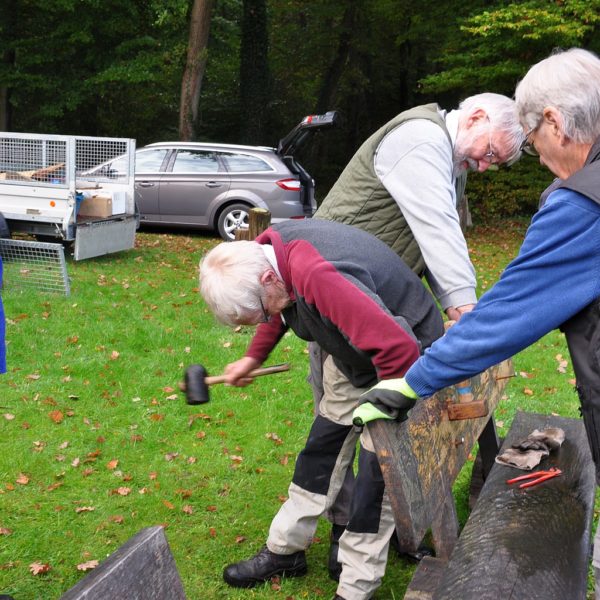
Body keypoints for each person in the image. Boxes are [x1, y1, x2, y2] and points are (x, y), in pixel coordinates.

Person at [351, 46, 600, 590]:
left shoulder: (585, 201)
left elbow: (509, 311)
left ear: (555, 122)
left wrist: (413, 382)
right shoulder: (421, 144)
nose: (538, 159)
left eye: (532, 146)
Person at [313, 92, 524, 574]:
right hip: (336, 304)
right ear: (475, 117)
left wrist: (455, 315)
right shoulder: (419, 139)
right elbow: (437, 229)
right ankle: (344, 539)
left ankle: (392, 527)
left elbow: (434, 243)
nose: (487, 166)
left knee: (391, 421)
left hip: (376, 308)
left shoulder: (451, 160)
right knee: (346, 423)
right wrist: (466, 311)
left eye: (496, 162)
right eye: (491, 153)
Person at [199, 219, 444, 600]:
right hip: (355, 351)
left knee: (374, 478)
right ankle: (285, 551)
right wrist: (252, 358)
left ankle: (355, 588)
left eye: (260, 314)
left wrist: (385, 411)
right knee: (321, 451)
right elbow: (277, 311)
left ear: (268, 279)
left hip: (405, 361)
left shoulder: (316, 273)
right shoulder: (267, 255)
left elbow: (399, 347)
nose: (265, 321)